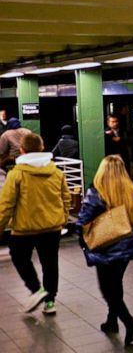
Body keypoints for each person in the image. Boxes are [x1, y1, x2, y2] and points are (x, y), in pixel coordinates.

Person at [74, 155, 133, 345]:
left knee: (108, 290)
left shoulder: (96, 192)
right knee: (115, 285)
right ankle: (111, 321)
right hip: (124, 249)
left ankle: (129, 322)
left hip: (103, 249)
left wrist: (83, 242)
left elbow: (82, 222)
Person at [0, 133, 71, 315]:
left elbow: (6, 204)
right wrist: (62, 219)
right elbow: (66, 198)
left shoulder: (16, 175)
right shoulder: (56, 172)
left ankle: (36, 289)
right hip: (52, 227)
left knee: (18, 256)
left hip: (25, 229)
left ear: (22, 150)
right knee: (50, 263)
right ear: (42, 147)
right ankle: (50, 302)